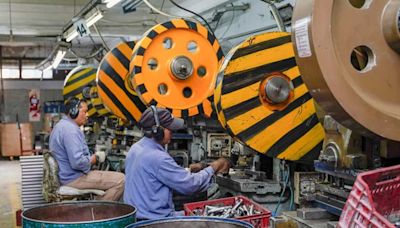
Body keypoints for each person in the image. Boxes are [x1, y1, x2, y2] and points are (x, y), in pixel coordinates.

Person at [123, 106, 230, 220]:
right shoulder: (158, 157)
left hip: (137, 216)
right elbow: (190, 185)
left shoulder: (136, 148)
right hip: (154, 221)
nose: (173, 133)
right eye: (170, 129)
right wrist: (214, 167)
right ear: (158, 131)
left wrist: (188, 170)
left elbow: (154, 175)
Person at [49, 97, 124, 201]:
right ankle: (98, 213)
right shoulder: (71, 130)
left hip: (65, 176)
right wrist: (95, 158)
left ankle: (95, 206)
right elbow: (77, 162)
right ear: (73, 112)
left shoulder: (61, 126)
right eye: (84, 112)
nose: (87, 115)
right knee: (121, 180)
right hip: (73, 179)